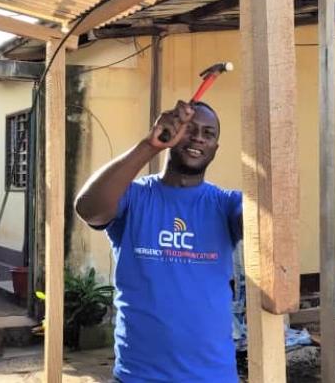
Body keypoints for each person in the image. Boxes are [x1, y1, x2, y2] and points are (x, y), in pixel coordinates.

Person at [75, 100, 242, 383]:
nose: (199, 137)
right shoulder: (135, 197)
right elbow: (88, 208)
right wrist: (150, 145)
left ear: (215, 148)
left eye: (208, 133)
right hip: (138, 377)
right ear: (172, 132)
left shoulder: (226, 205)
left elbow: (265, 226)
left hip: (214, 376)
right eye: (190, 129)